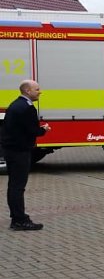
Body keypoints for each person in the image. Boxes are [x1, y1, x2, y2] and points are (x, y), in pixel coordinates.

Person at [2, 80, 49, 231]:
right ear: (28, 91)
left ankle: (17, 218)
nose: (39, 91)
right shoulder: (27, 108)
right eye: (37, 89)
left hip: (12, 150)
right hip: (19, 152)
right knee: (18, 187)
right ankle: (19, 220)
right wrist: (44, 130)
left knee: (14, 186)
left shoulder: (16, 104)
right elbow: (33, 130)